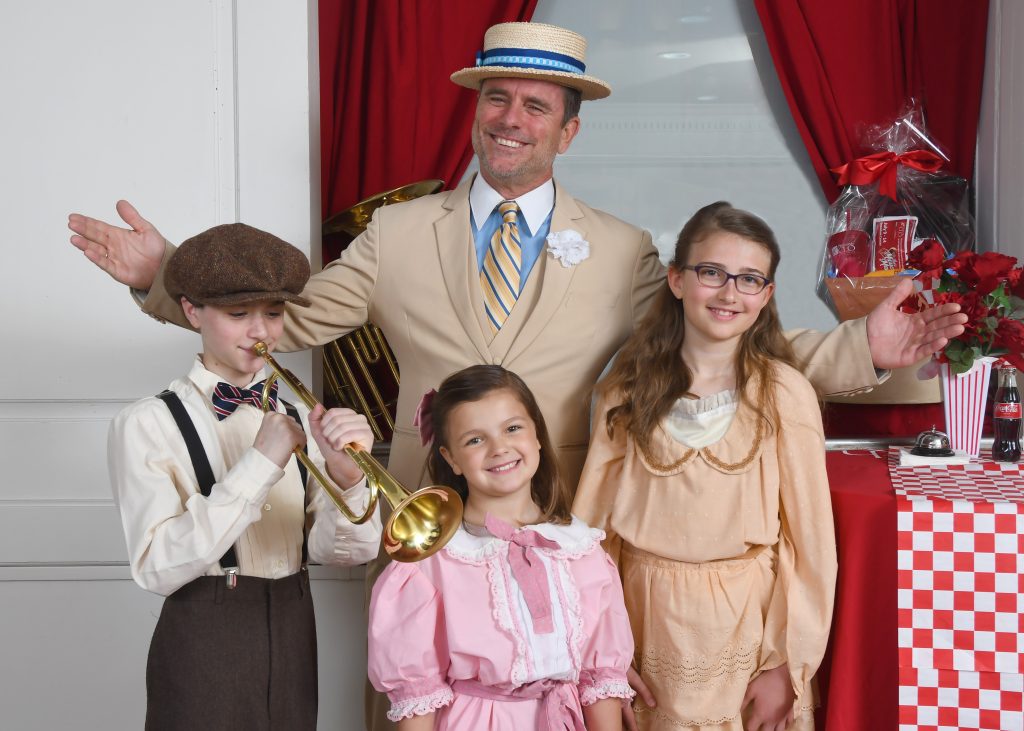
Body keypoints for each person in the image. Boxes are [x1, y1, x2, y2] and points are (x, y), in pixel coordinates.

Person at [69, 21, 964, 731]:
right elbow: (283, 321)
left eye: (537, 105)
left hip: (557, 528)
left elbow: (722, 331)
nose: (511, 119)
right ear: (475, 111)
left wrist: (865, 351)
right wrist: (168, 277)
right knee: (419, 706)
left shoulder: (621, 250)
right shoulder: (397, 234)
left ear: (568, 129)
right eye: (497, 98)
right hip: (424, 529)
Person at [574, 202, 838, 731]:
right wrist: (603, 653)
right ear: (676, 280)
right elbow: (593, 535)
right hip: (645, 622)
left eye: (749, 279)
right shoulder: (625, 392)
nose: (728, 292)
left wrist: (786, 665)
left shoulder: (784, 394)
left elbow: (811, 546)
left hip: (747, 626)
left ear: (765, 297)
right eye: (711, 272)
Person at [108, 222, 382, 731]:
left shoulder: (302, 416)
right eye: (238, 315)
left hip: (296, 624)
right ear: (192, 311)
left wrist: (349, 480)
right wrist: (259, 465)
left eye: (274, 314)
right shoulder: (147, 423)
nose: (261, 333)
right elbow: (158, 567)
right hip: (205, 634)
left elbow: (344, 552)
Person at [368, 364, 634, 730]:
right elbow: (417, 691)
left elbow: (600, 677)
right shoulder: (433, 562)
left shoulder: (582, 549)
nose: (499, 448)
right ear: (451, 459)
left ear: (537, 435)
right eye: (475, 440)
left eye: (512, 428)